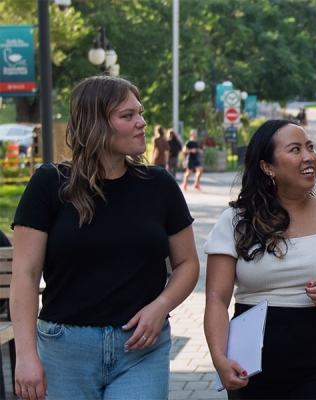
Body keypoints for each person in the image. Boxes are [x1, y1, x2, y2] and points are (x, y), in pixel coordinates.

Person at [9, 75, 200, 400]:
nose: (141, 122)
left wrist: (160, 307)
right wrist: (26, 355)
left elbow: (187, 263)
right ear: (94, 123)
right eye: (127, 116)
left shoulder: (160, 185)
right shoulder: (48, 184)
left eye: (139, 112)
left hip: (141, 347)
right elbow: (25, 275)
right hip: (64, 349)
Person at [203, 119, 316, 399]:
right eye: (295, 149)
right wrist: (220, 358)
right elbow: (216, 299)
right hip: (251, 358)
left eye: (310, 147)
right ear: (267, 167)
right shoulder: (235, 221)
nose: (309, 157)